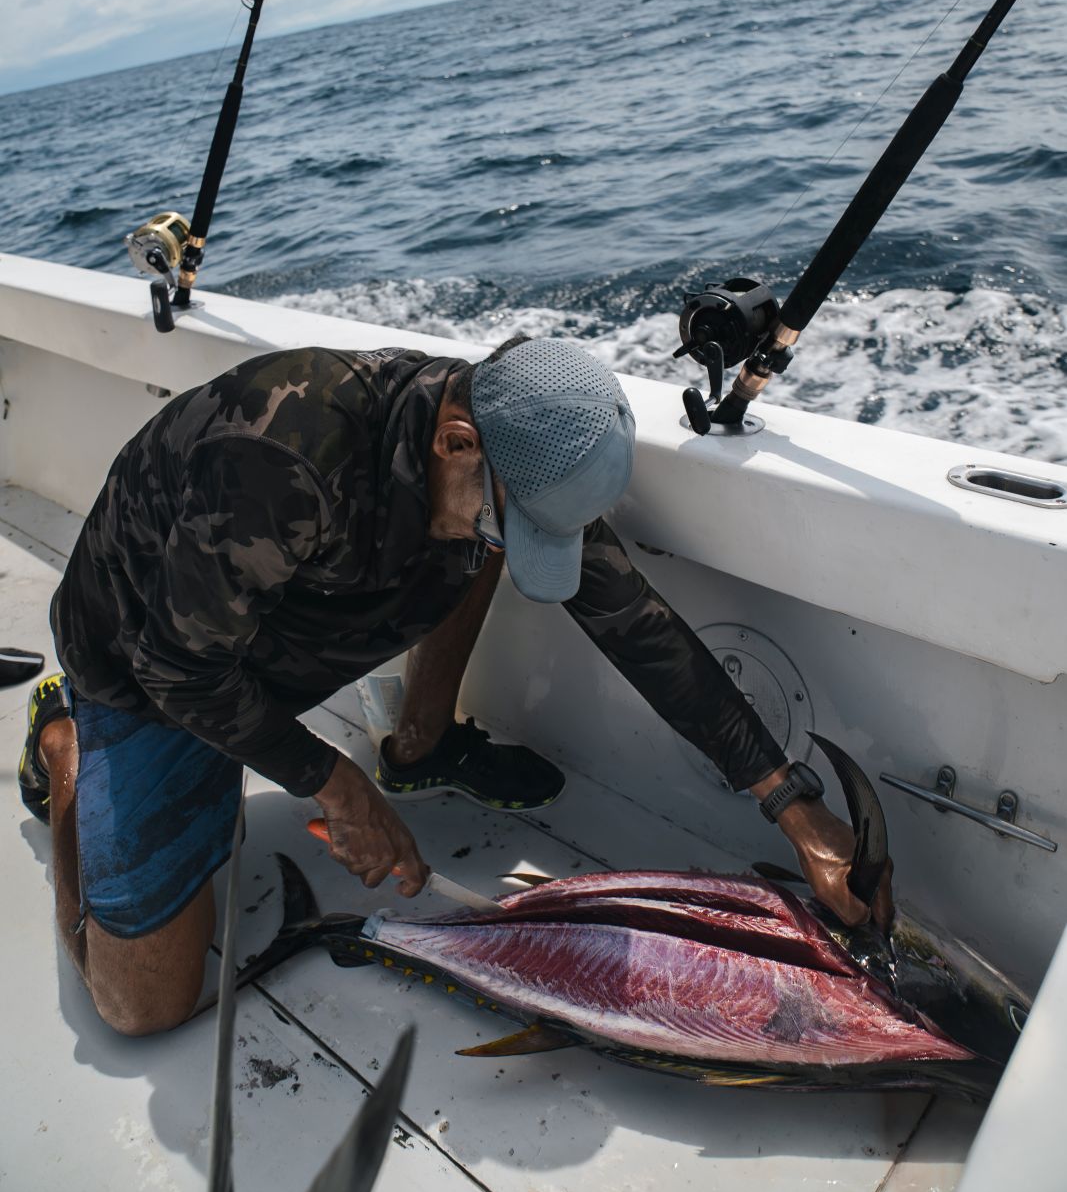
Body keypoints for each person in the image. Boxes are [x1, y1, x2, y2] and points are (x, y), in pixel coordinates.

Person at [19, 335, 891, 1036]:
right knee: (144, 1009)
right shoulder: (280, 462)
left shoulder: (513, 439)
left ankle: (420, 745)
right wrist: (334, 782)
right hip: (147, 660)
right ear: (455, 439)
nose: (520, 541)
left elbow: (637, 626)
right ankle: (65, 740)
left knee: (470, 541)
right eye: (512, 520)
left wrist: (791, 804)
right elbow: (180, 668)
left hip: (284, 608)